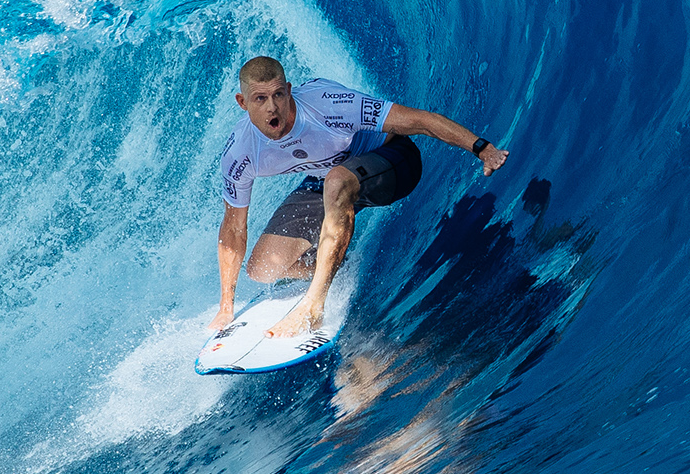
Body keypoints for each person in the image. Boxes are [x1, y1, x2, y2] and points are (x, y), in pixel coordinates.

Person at [211, 55, 509, 340]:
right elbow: (234, 228)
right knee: (262, 268)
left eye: (278, 95)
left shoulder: (328, 106)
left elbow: (421, 121)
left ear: (289, 90)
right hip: (326, 178)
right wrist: (227, 307)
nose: (272, 108)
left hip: (392, 162)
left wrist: (482, 149)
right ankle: (338, 260)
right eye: (260, 99)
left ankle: (314, 303)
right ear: (242, 102)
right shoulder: (241, 152)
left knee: (337, 181)